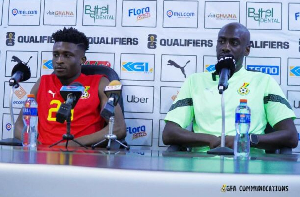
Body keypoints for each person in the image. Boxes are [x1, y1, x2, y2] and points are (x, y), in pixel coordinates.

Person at [163, 22, 298, 152]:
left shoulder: (264, 81)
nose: (225, 47)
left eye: (234, 43)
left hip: (249, 164)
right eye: (221, 41)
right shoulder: (195, 81)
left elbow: (290, 136)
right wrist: (210, 139)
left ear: (247, 50)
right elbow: (169, 133)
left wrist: (244, 140)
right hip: (203, 165)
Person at [14, 27, 126, 146]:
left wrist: (73, 144)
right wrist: (36, 144)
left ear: (82, 60)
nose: (59, 61)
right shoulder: (42, 82)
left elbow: (118, 128)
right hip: (44, 156)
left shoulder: (99, 83)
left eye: (67, 55)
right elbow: (19, 125)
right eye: (56, 55)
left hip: (83, 156)